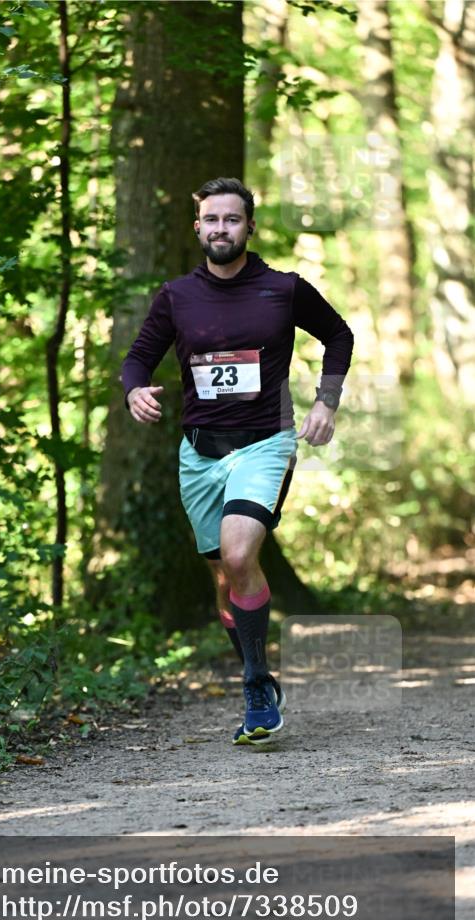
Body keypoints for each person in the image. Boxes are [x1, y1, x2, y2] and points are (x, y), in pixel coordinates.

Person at [122, 177, 353, 746]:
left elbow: (339, 335)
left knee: (240, 552)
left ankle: (255, 683)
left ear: (249, 226)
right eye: (211, 219)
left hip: (265, 442)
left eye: (232, 219)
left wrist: (326, 402)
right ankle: (256, 672)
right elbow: (138, 358)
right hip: (199, 454)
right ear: (197, 227)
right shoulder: (177, 295)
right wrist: (134, 391)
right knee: (225, 576)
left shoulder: (283, 288)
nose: (221, 228)